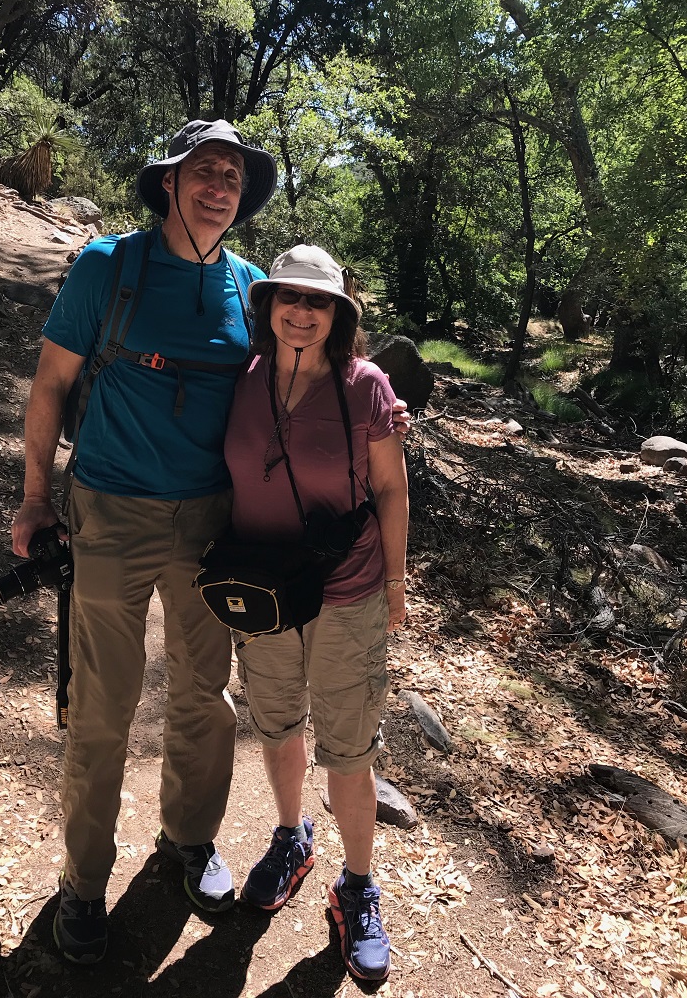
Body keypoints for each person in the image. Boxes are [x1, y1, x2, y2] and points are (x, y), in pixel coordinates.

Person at [11, 120, 277, 964]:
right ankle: (83, 883)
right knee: (101, 709)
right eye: (205, 170)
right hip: (110, 514)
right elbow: (51, 384)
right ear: (170, 182)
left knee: (206, 695)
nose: (219, 185)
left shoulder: (252, 286)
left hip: (210, 524)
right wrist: (32, 499)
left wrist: (375, 405)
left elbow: (297, 387)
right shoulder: (107, 267)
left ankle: (188, 840)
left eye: (232, 175)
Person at [225, 245, 409, 983]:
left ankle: (356, 887)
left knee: (351, 751)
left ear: (339, 315)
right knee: (276, 725)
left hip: (348, 590)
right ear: (268, 308)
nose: (302, 313)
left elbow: (392, 490)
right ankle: (290, 836)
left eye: (319, 302)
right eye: (289, 299)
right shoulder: (240, 380)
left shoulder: (365, 387)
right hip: (263, 589)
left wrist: (395, 582)